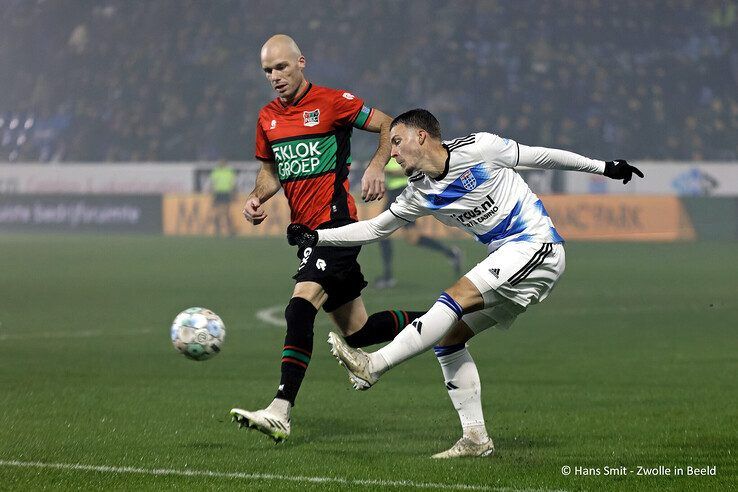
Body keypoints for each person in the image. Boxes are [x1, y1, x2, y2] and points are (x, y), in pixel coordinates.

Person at [287, 108, 644, 457]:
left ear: (421, 136)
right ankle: (475, 439)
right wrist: (317, 238)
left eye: (396, 142)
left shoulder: (480, 149)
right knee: (449, 338)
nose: (392, 153)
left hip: (537, 246)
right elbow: (376, 228)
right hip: (506, 257)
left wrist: (605, 167)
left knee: (454, 297)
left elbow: (540, 157)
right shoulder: (418, 192)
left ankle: (373, 365)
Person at [230, 35, 426, 443]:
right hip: (305, 233)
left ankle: (281, 410)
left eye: (281, 67)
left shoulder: (333, 102)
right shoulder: (267, 118)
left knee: (299, 308)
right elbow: (271, 171)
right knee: (359, 332)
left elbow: (390, 123)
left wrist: (376, 166)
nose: (275, 77)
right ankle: (442, 317)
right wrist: (255, 197)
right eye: (267, 71)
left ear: (301, 62)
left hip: (336, 226)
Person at [375, 158, 462, 289]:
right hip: (395, 193)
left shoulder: (402, 149)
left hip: (403, 192)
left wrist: (386, 170)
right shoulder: (388, 152)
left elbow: (410, 169)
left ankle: (388, 277)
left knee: (382, 230)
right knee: (413, 239)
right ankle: (451, 253)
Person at [209, 159, 237, 236]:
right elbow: (212, 184)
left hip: (226, 193)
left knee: (226, 213)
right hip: (218, 194)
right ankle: (218, 231)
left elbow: (233, 184)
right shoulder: (216, 171)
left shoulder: (229, 171)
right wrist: (212, 194)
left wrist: (233, 194)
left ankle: (230, 231)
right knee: (218, 213)